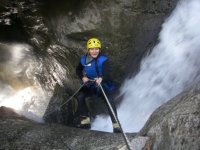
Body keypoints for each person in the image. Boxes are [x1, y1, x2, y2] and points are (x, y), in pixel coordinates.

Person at [74, 37, 121, 133]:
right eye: (92, 49)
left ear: (99, 49)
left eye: (96, 49)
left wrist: (101, 78)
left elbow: (107, 72)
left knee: (110, 100)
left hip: (102, 84)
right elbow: (78, 70)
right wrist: (83, 77)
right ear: (88, 50)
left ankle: (116, 125)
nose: (94, 51)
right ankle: (85, 121)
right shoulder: (83, 60)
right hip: (90, 84)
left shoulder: (104, 60)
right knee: (80, 96)